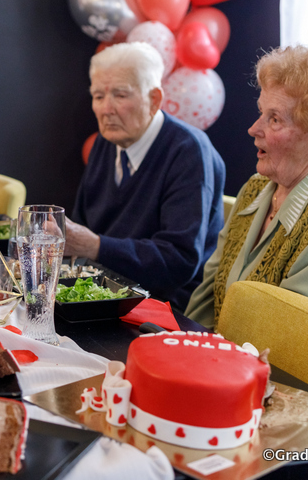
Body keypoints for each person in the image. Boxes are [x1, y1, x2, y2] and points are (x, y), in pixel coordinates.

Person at [186, 43, 308, 330]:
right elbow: (208, 296)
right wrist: (179, 342)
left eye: (275, 119)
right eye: (261, 113)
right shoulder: (257, 188)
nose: (254, 129)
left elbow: (296, 339)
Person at [66, 42, 225, 310]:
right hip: (104, 291)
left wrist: (96, 247)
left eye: (120, 95)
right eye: (98, 96)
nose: (106, 109)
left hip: (166, 305)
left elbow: (179, 260)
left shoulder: (189, 151)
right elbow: (82, 224)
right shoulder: (107, 141)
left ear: (154, 100)